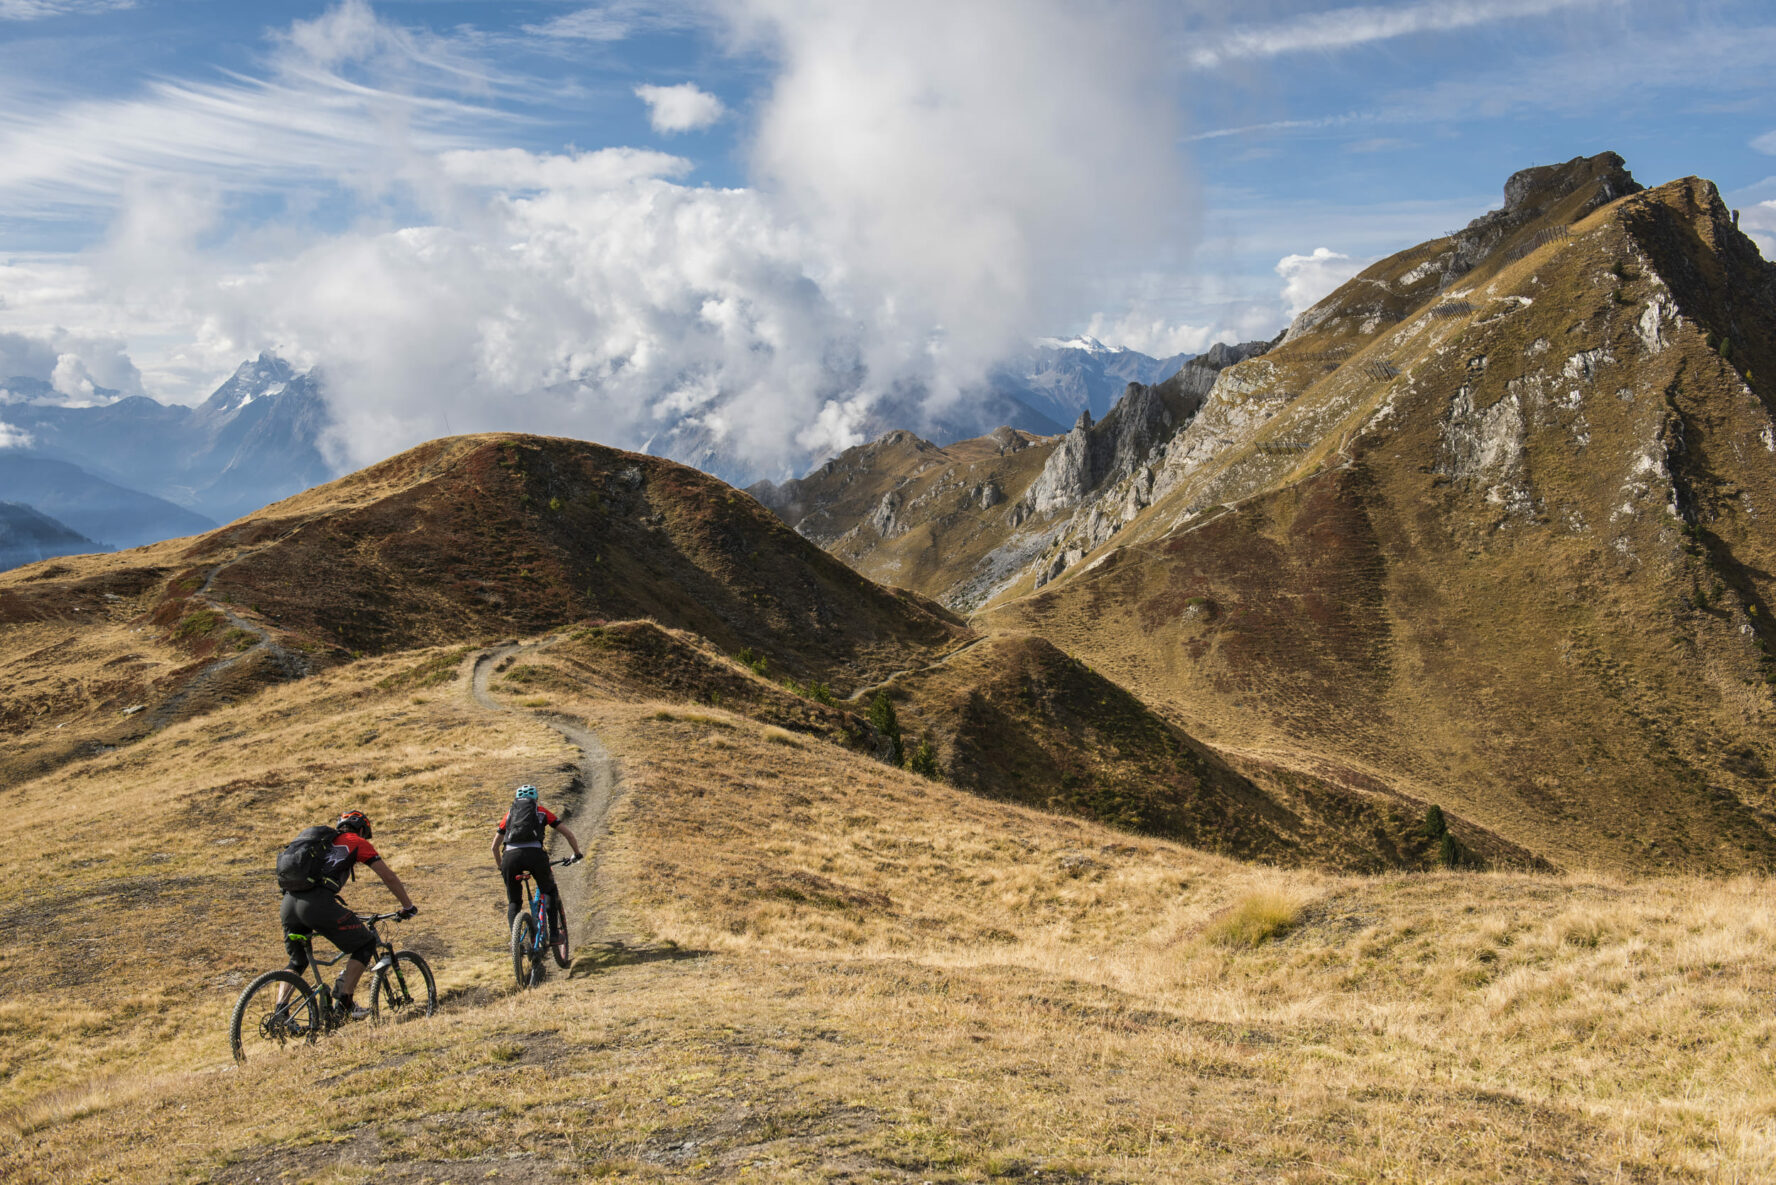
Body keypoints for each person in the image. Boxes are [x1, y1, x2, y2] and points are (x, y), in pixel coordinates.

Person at [280, 809, 417, 1021]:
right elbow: (388, 876)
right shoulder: (356, 841)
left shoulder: (321, 844)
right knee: (365, 944)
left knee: (297, 962)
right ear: (361, 829)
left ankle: (280, 1013)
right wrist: (407, 906)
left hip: (289, 903)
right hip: (317, 904)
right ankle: (345, 1004)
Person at [493, 785, 583, 948]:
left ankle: (516, 943)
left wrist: (502, 868)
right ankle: (554, 935)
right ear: (535, 799)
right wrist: (576, 853)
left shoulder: (509, 814)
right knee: (549, 890)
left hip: (510, 858)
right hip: (535, 855)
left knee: (514, 902)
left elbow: (494, 847)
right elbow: (568, 833)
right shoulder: (541, 811)